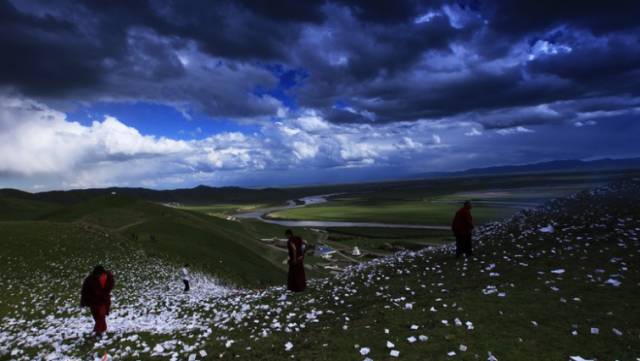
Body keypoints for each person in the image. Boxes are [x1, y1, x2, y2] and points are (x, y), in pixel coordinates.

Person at [80, 265, 114, 336]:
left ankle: (97, 331)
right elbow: (84, 292)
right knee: (97, 316)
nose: (99, 276)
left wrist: (104, 294)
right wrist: (84, 301)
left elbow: (109, 287)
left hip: (103, 301)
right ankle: (103, 330)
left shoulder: (108, 278)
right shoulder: (89, 280)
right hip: (93, 302)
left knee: (101, 316)